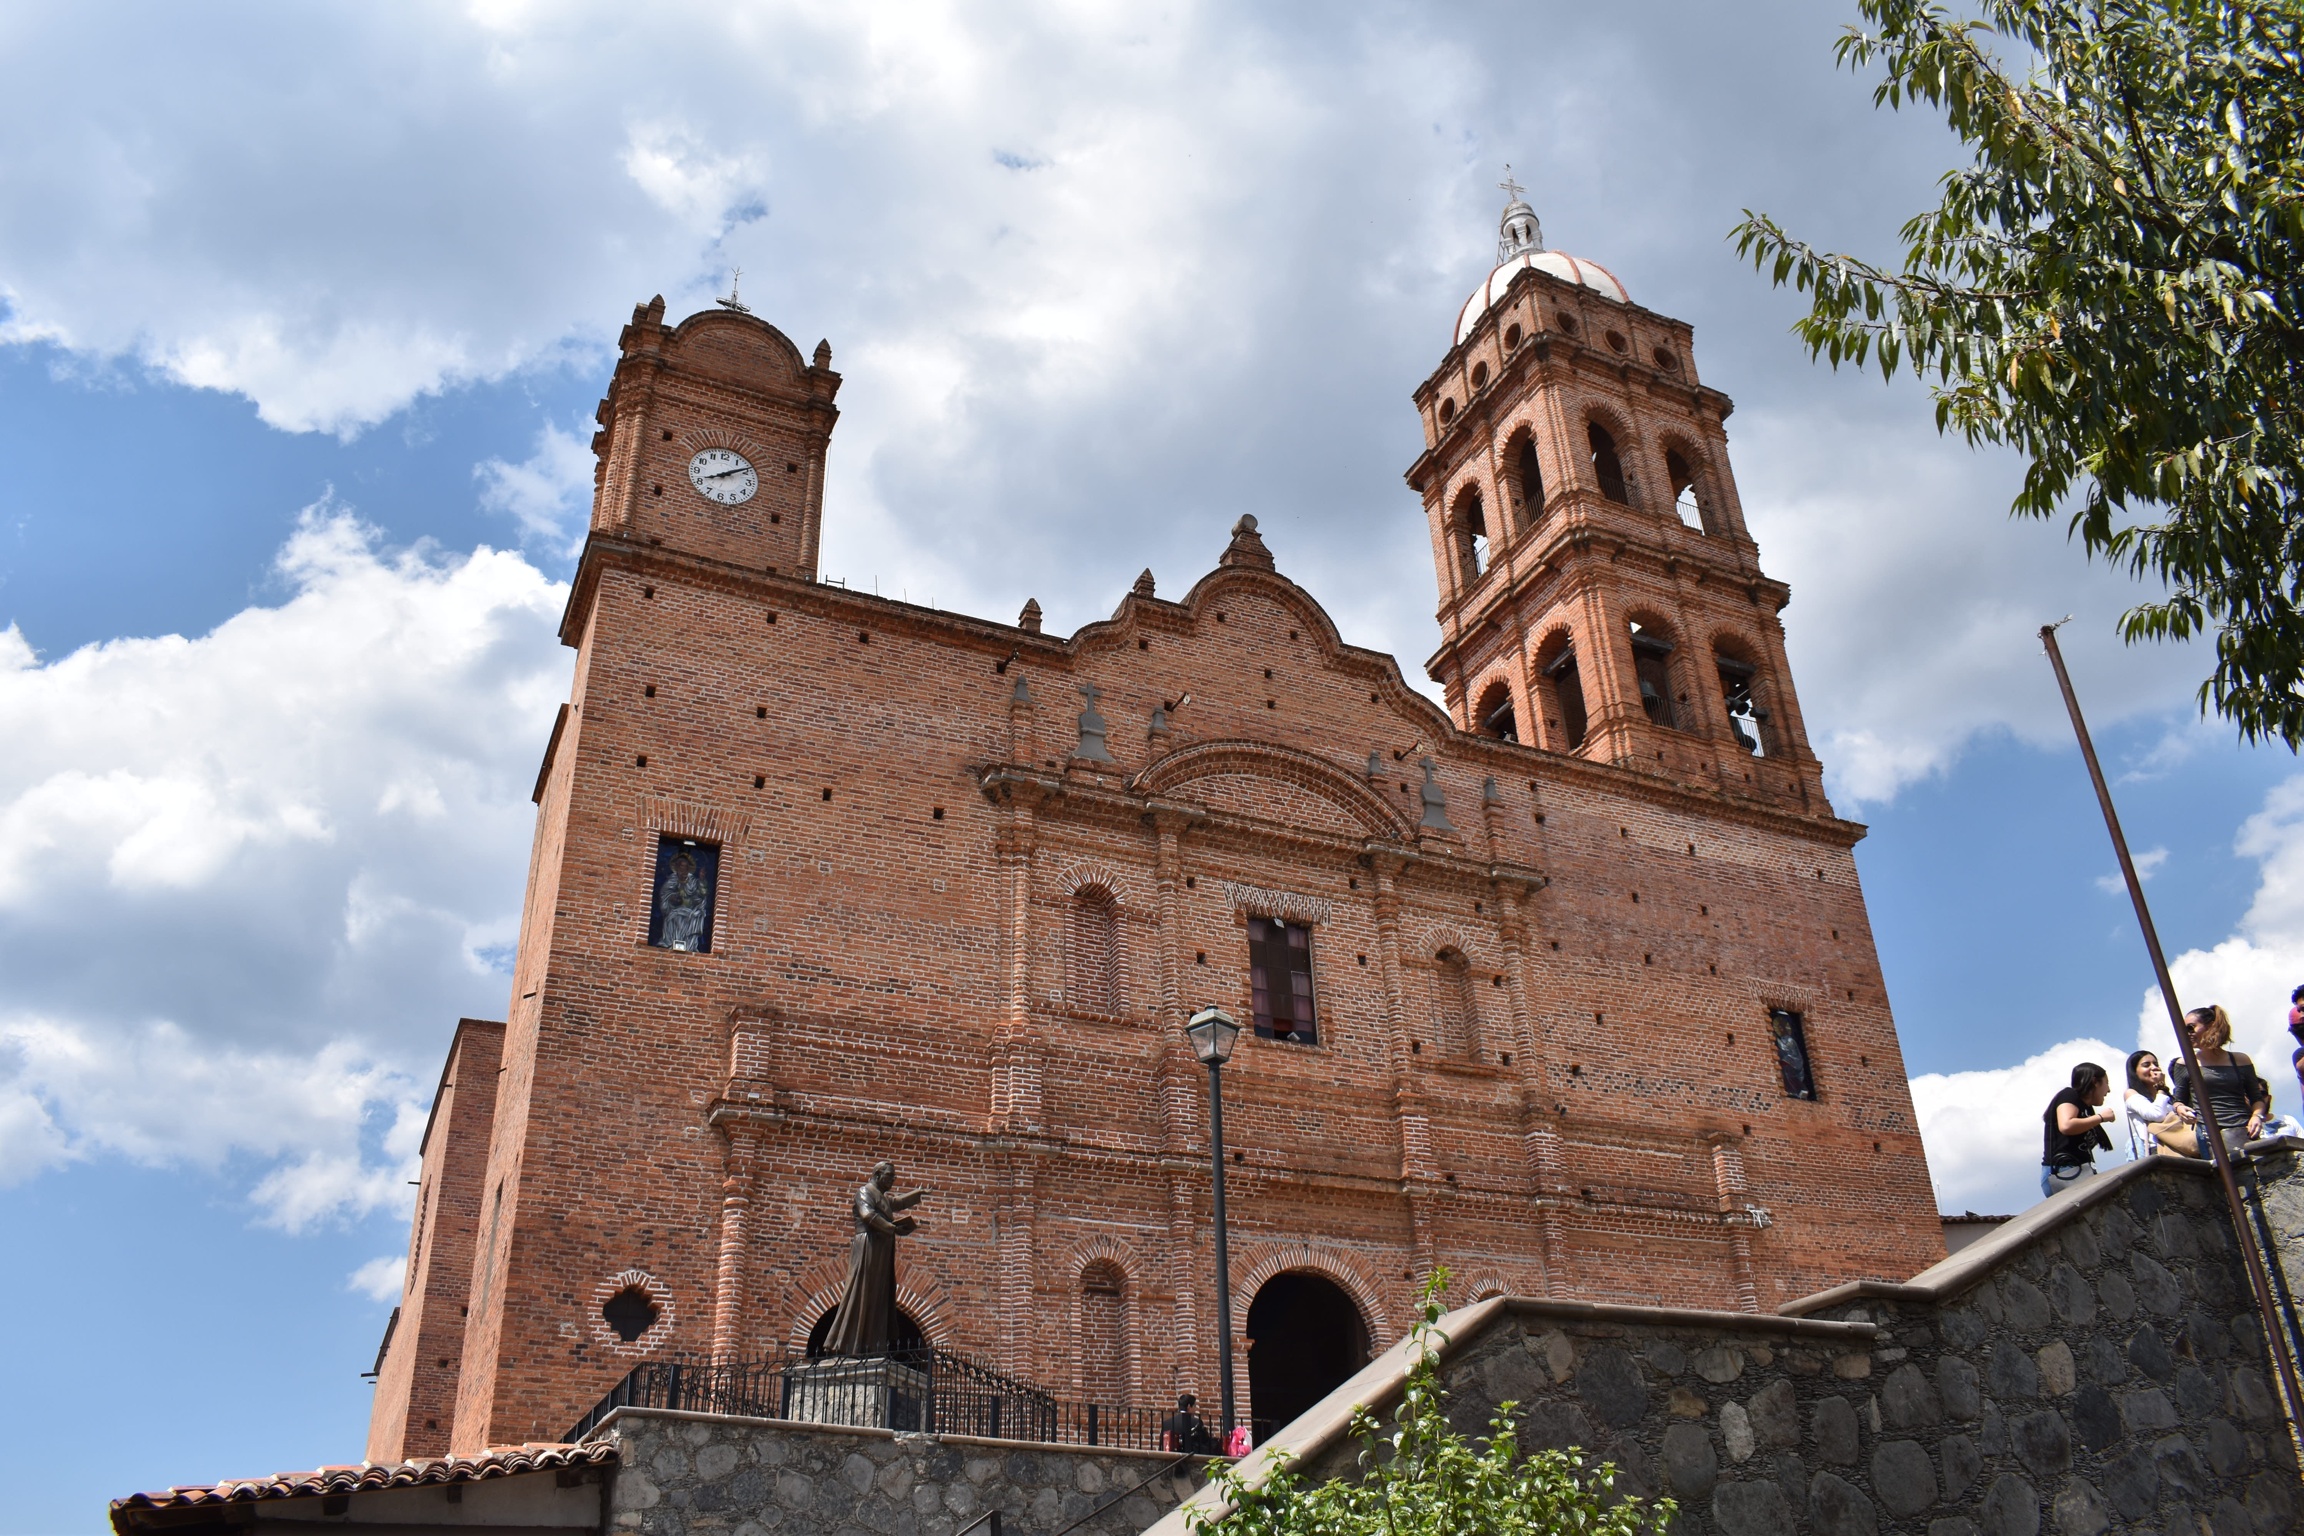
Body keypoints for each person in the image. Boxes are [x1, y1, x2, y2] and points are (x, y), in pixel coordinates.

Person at [2169, 1004, 2271, 1158]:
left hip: (2244, 1129)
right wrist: (2180, 1109)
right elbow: (2179, 1100)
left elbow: (2256, 1098)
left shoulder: (2240, 1060)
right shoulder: (2184, 1064)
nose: (2187, 1033)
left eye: (2191, 1027)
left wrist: (2256, 1116)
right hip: (2209, 1133)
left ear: (2210, 1027)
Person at [2041, 1062, 2115, 1199]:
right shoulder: (2069, 1094)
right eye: (2106, 1083)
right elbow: (2066, 1125)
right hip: (2065, 1172)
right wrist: (2101, 1117)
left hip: (2075, 1171)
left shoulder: (2086, 1108)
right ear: (2095, 1082)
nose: (2109, 1089)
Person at [2122, 1049, 2198, 1158]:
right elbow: (2156, 1114)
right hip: (2159, 1151)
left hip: (2182, 1146)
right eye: (2146, 1065)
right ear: (2135, 1071)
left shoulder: (2167, 1097)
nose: (2154, 1067)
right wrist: (2161, 1088)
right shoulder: (2130, 1093)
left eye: (2156, 1064)